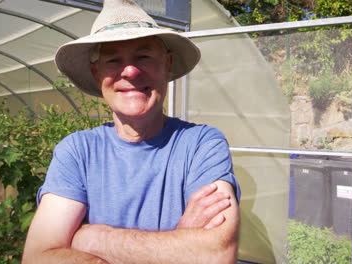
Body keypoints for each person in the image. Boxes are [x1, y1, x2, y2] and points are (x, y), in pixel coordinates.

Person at [22, 0, 241, 263]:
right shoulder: (78, 151)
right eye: (113, 60)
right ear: (96, 73)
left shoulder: (201, 145)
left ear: (167, 64)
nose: (129, 71)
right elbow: (39, 257)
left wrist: (90, 238)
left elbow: (216, 254)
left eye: (143, 56)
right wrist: (179, 242)